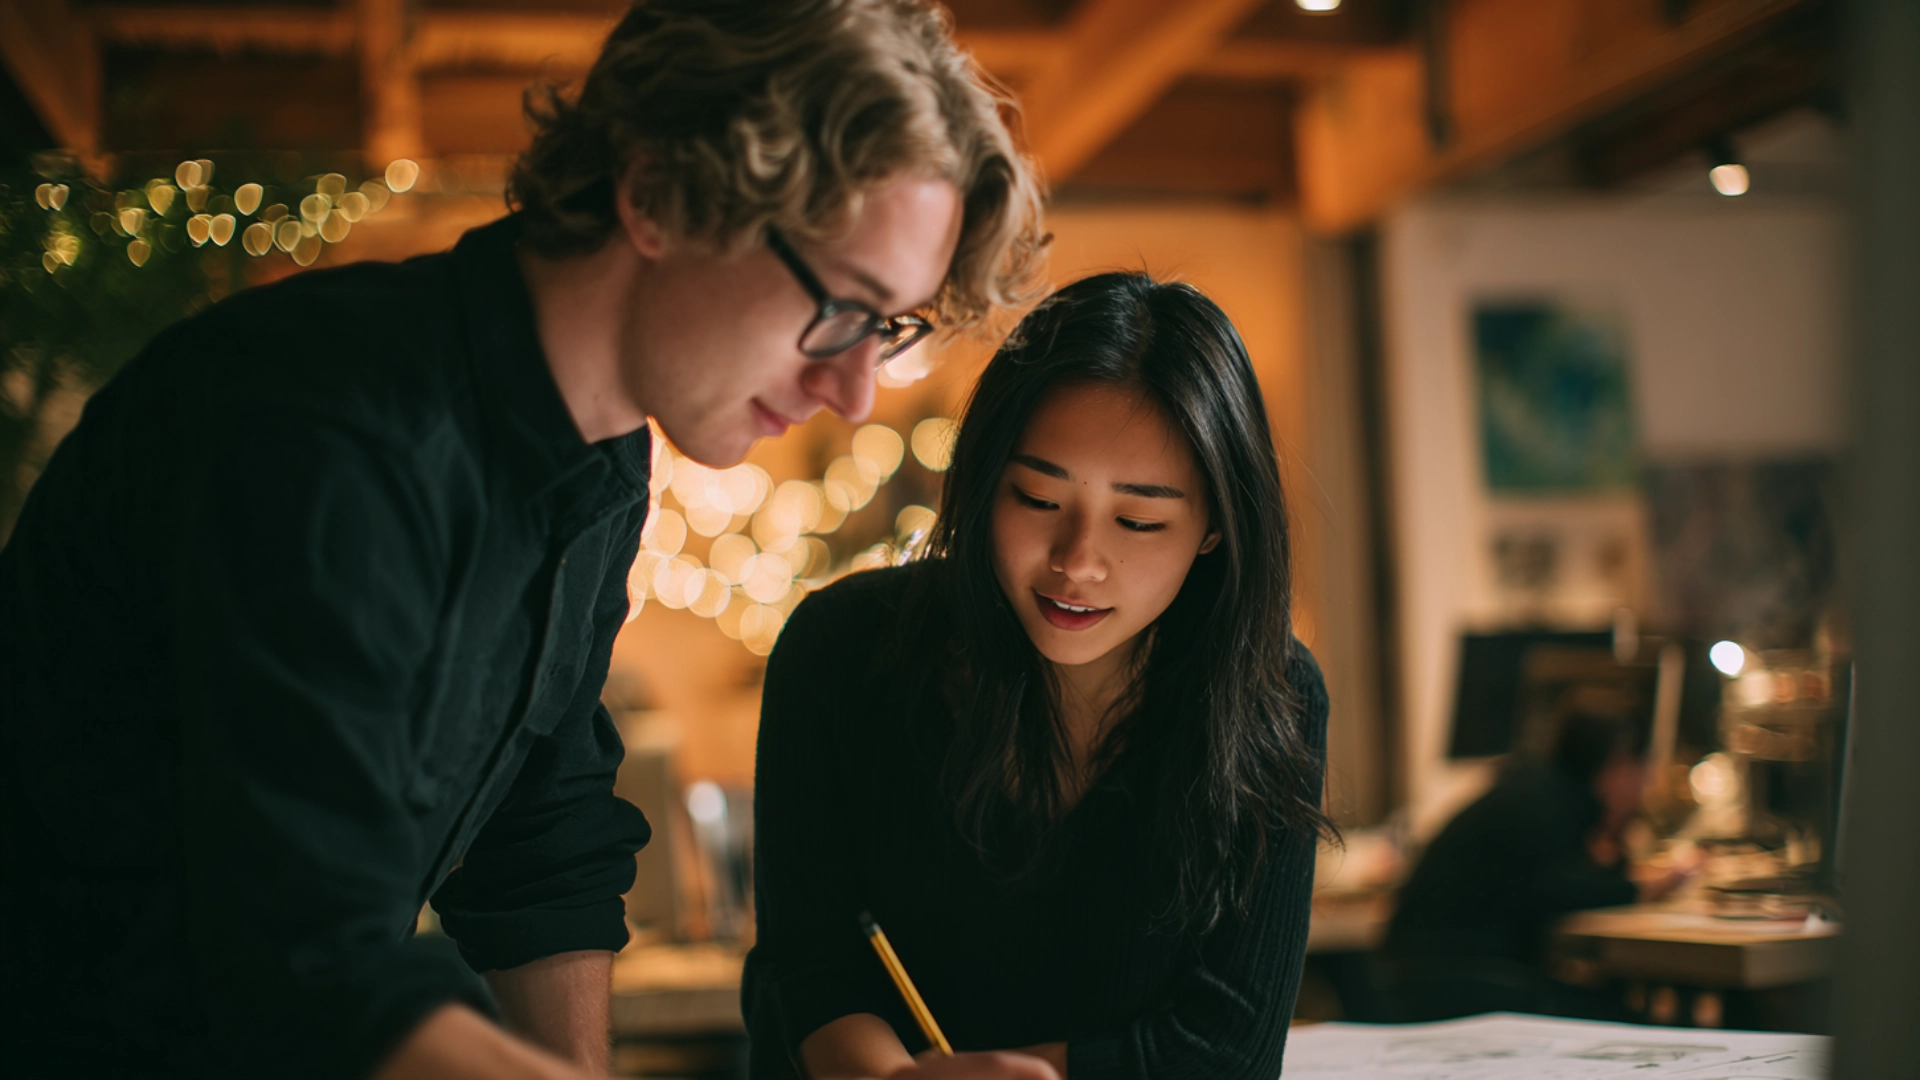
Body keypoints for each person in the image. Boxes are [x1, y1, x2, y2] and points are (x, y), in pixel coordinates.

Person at [0, 2, 1044, 1077]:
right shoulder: (330, 427)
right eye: (841, 305)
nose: (858, 394)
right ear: (659, 195)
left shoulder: (601, 468)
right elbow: (306, 956)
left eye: (891, 330)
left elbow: (539, 845)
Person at [744, 272, 1334, 1080]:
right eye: (1036, 498)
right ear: (985, 486)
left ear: (1213, 531)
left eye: (1140, 521)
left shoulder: (1271, 693)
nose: (1078, 562)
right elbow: (806, 969)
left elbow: (1230, 1045)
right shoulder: (843, 650)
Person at [1379, 699, 1693, 1022]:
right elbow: (1557, 889)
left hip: (1428, 973)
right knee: (1621, 1018)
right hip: (1449, 979)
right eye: (1643, 769)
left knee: (1609, 1005)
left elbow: (1552, 876)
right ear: (1618, 762)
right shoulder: (1542, 803)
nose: (1648, 784)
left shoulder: (1540, 791)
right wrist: (1641, 887)